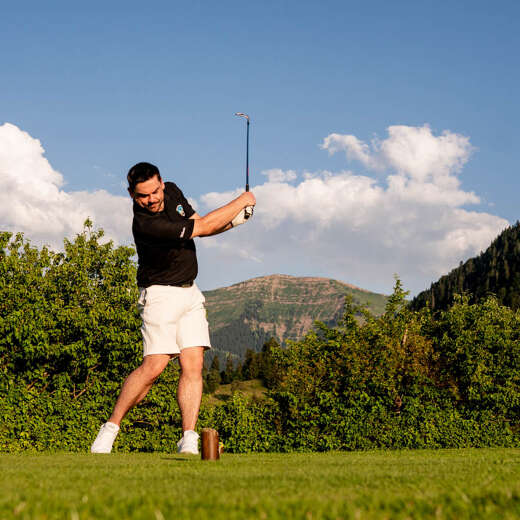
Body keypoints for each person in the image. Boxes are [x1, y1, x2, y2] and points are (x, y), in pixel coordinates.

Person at [91, 162, 255, 454]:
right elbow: (202, 228)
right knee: (154, 366)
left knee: (193, 365)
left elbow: (201, 224)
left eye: (155, 191)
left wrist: (235, 221)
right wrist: (239, 202)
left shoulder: (173, 192)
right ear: (132, 195)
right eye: (143, 196)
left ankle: (188, 437)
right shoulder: (146, 224)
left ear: (162, 183)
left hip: (190, 292)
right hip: (159, 295)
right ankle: (111, 428)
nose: (152, 200)